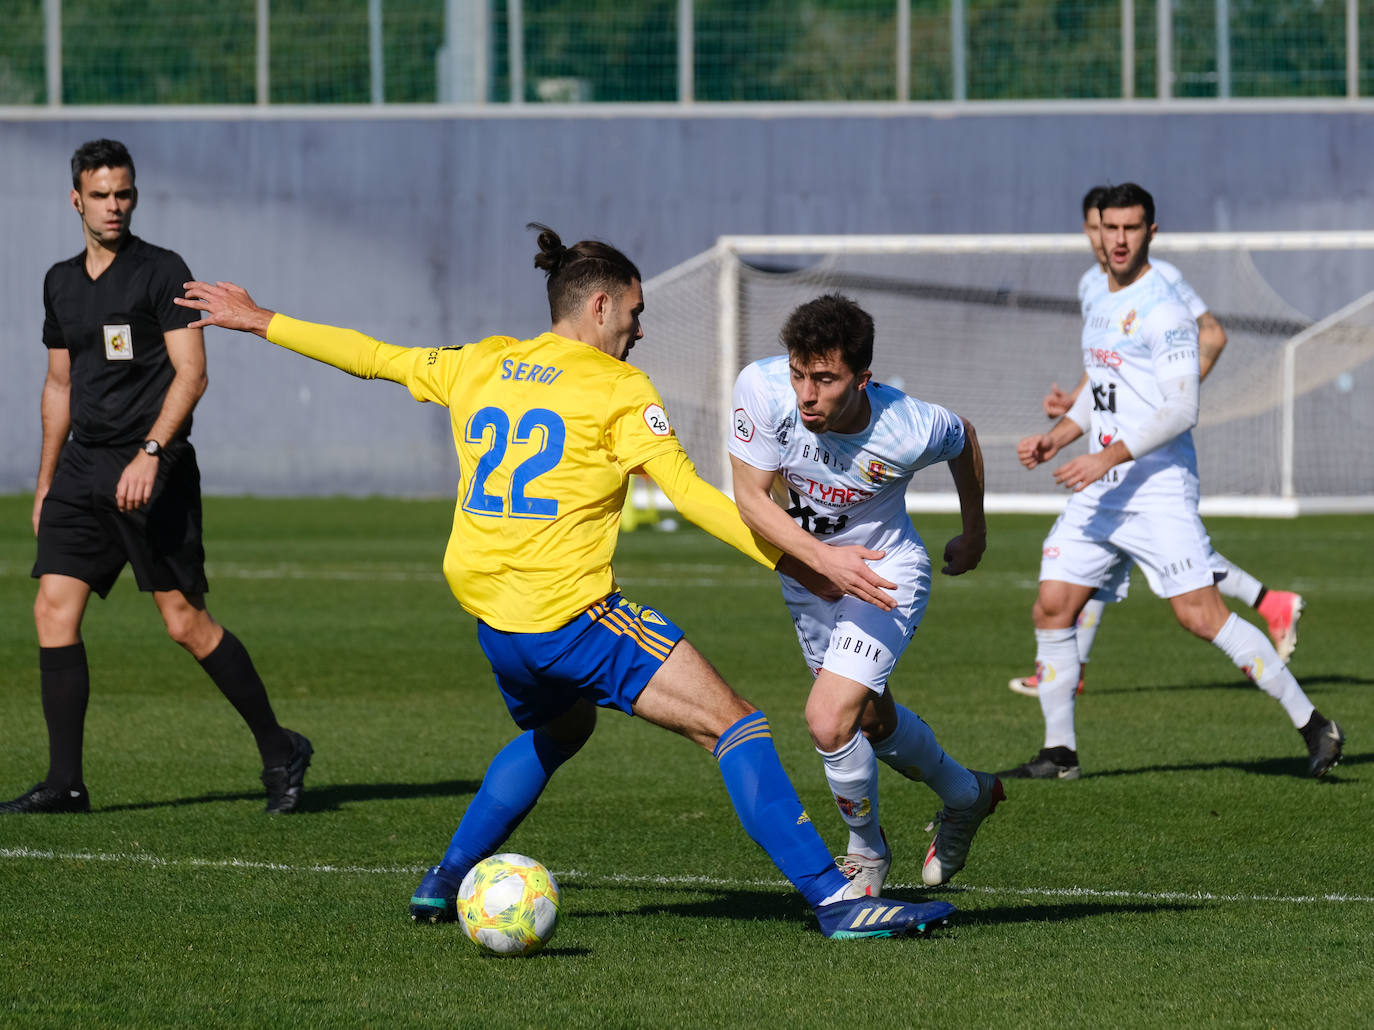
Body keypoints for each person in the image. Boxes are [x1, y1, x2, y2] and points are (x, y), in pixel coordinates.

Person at [175, 224, 956, 939]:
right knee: (737, 725)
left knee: (560, 729)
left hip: (497, 626)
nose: (641, 330)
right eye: (636, 313)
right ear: (601, 303)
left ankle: (443, 881)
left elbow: (373, 356)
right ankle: (835, 900)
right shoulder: (619, 391)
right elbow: (692, 497)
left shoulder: (479, 362)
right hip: (573, 617)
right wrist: (810, 562)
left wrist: (264, 320)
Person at [2, 139, 311, 816]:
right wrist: (46, 478)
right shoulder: (58, 281)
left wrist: (149, 452)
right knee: (52, 609)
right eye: (102, 194)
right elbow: (58, 386)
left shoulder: (161, 271)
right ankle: (64, 783)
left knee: (183, 623)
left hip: (152, 465)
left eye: (125, 193)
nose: (115, 206)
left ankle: (280, 748)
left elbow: (193, 372)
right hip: (81, 466)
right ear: (76, 199)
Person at [999, 183, 1344, 781]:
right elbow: (1105, 389)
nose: (1119, 239)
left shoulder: (1164, 308)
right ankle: (1060, 753)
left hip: (1157, 486)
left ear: (1151, 233)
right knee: (1053, 604)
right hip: (1105, 485)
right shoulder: (1092, 290)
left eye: (1132, 228)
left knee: (1200, 615)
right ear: (1095, 230)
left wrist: (1103, 459)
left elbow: (1181, 409)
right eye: (1110, 228)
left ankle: (1314, 725)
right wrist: (1059, 435)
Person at [728, 294, 1004, 896]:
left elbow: (966, 439)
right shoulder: (763, 388)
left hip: (885, 574)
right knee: (869, 724)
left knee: (827, 720)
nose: (806, 394)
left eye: (825, 379)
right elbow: (749, 499)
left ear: (862, 379)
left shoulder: (906, 426)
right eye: (800, 373)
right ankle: (968, 795)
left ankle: (865, 856)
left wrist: (975, 534)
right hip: (809, 577)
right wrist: (822, 563)